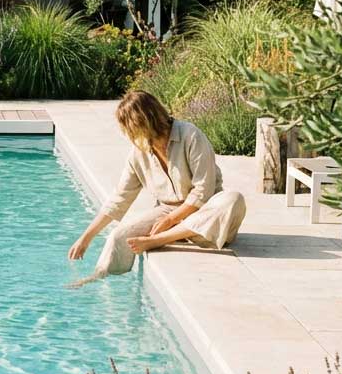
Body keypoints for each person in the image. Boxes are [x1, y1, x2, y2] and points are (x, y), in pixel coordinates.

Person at [67, 90, 246, 285]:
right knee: (119, 236)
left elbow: (203, 190)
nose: (130, 134)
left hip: (205, 213)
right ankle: (98, 276)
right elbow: (119, 198)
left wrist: (170, 220)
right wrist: (86, 238)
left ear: (147, 120)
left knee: (233, 199)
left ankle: (159, 240)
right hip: (168, 212)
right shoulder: (138, 152)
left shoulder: (191, 135)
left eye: (132, 127)